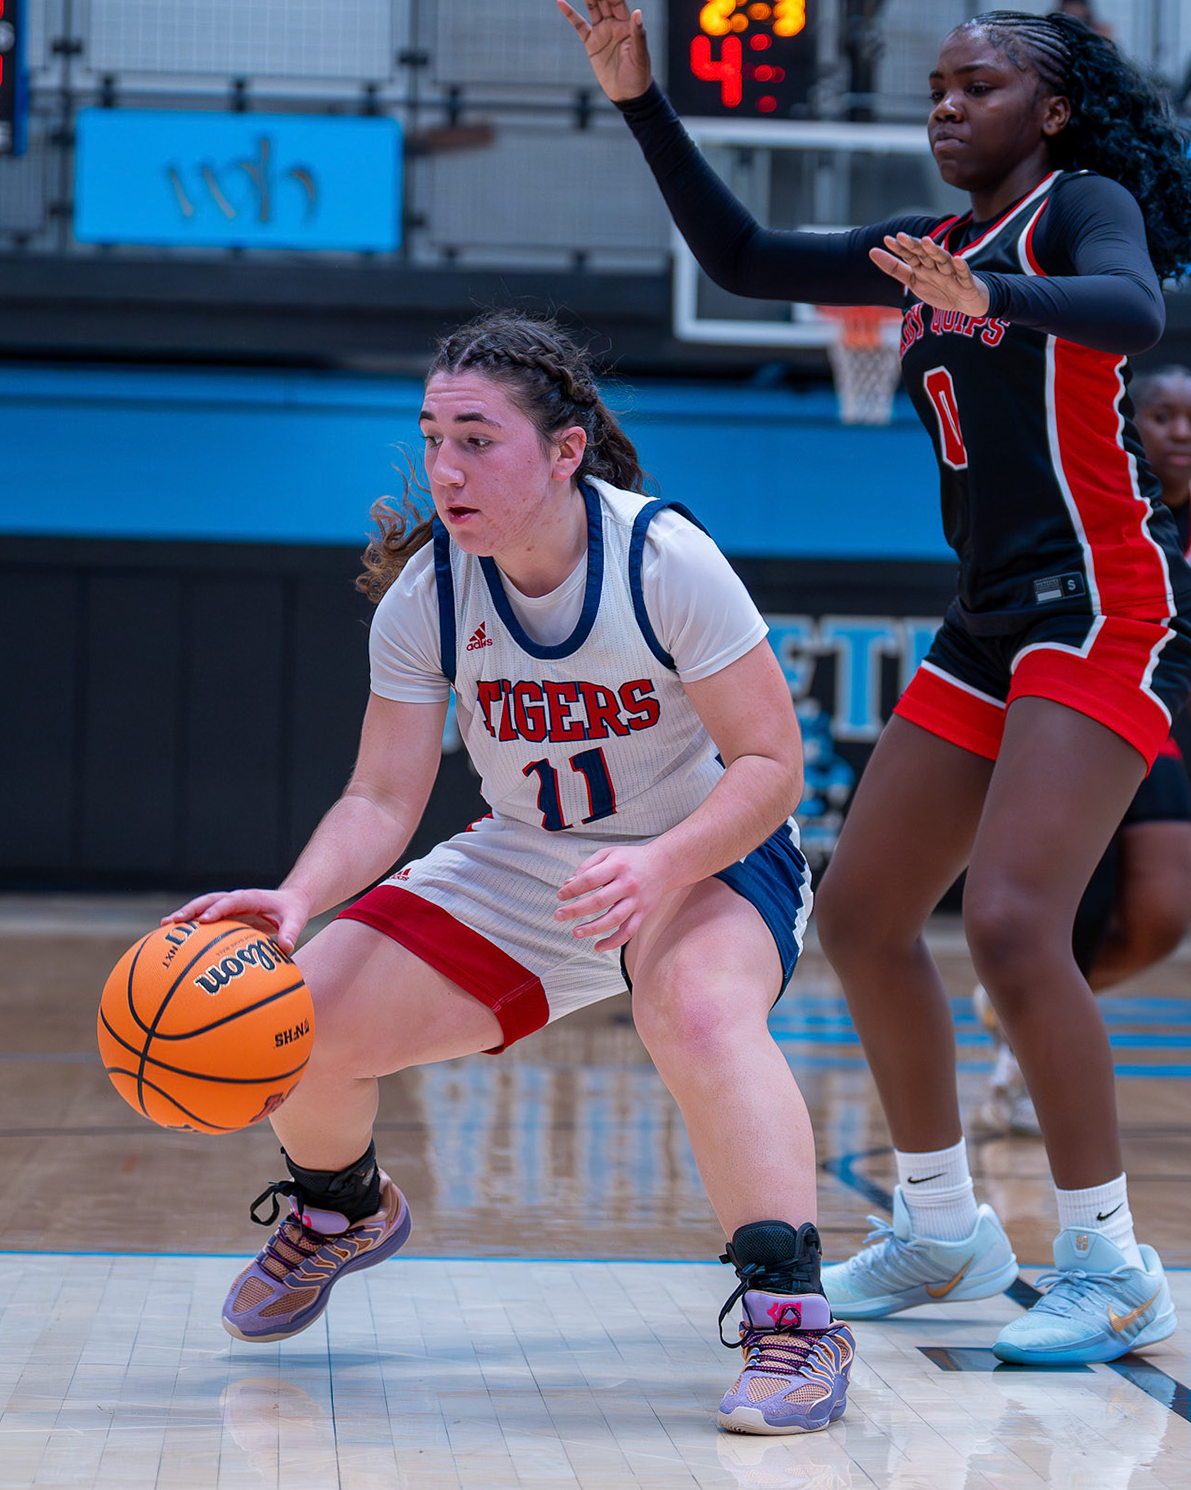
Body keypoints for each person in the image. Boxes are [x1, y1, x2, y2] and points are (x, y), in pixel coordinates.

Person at [561, 0, 1191, 1365]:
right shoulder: (920, 242)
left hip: (1103, 600)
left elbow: (1135, 313)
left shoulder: (1079, 208)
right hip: (989, 613)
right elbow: (745, 258)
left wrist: (995, 293)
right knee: (863, 915)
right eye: (935, 88)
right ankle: (941, 1225)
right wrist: (642, 102)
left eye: (978, 85)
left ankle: (1112, 1261)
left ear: (1051, 109)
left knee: (1013, 924)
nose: (946, 106)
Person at [164, 312, 854, 1436]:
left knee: (694, 1012)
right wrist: (296, 896)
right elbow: (380, 797)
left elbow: (774, 768)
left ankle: (795, 1325)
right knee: (291, 1019)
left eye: (477, 440)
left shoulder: (663, 561)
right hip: (528, 855)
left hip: (703, 846)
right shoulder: (430, 594)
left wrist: (661, 864)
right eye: (433, 438)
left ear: (566, 450)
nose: (446, 467)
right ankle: (342, 1210)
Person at [976, 366, 1191, 1135]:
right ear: (1130, 420)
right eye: (1163, 416)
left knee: (1163, 914)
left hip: (1148, 722)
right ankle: (1019, 1066)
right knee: (1076, 910)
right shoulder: (1087, 490)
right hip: (1067, 715)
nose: (1182, 432)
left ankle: (1013, 1000)